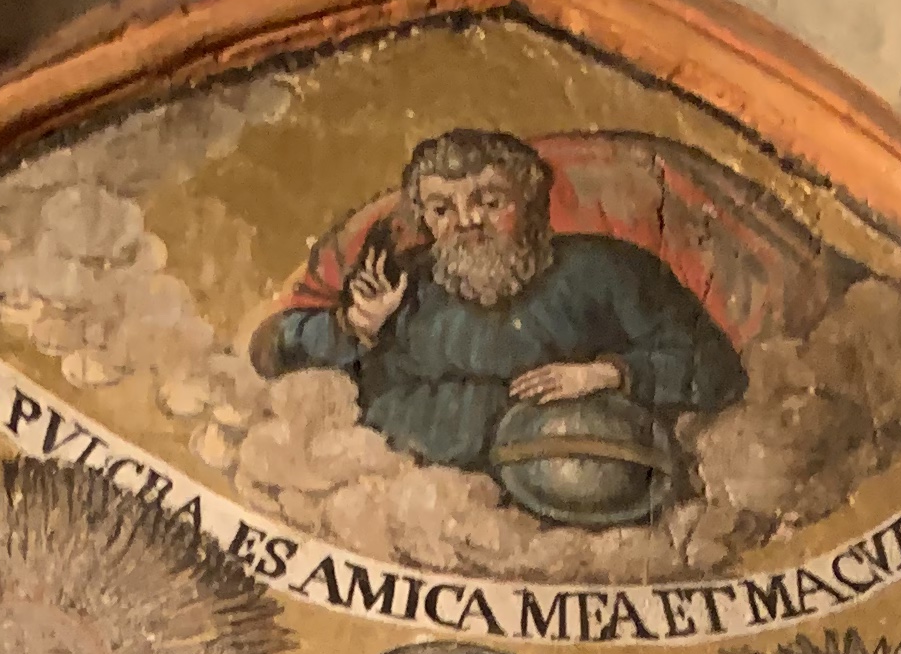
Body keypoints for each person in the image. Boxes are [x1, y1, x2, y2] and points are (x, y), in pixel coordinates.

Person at [254, 128, 746, 495]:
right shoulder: (402, 284)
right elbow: (271, 350)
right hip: (422, 507)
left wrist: (608, 375)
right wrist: (354, 328)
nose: (467, 221)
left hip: (591, 510)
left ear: (529, 204)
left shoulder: (607, 272)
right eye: (442, 210)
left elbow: (718, 368)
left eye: (489, 201)